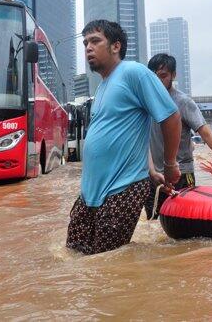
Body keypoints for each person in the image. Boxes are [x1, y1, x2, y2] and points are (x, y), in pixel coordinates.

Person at [65, 20, 181, 255]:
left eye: (95, 41)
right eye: (85, 42)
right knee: (75, 257)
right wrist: (150, 169)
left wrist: (169, 165)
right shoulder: (102, 87)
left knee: (107, 264)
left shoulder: (134, 73)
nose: (88, 47)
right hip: (90, 193)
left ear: (116, 46)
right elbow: (133, 132)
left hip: (121, 189)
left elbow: (172, 117)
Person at [144, 53, 212, 219]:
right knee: (154, 224)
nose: (158, 81)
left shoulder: (183, 102)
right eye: (153, 77)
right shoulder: (144, 102)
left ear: (173, 75)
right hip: (152, 177)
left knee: (183, 223)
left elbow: (207, 135)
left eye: (163, 76)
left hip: (180, 174)